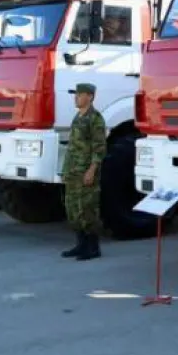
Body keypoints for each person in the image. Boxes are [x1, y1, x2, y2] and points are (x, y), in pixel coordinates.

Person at [60, 82, 107, 261]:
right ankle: (80, 244)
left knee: (87, 208)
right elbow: (72, 147)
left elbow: (99, 148)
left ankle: (93, 247)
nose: (76, 97)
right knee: (73, 208)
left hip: (86, 171)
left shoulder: (95, 119)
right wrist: (66, 170)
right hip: (73, 171)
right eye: (76, 94)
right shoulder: (78, 117)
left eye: (79, 95)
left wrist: (92, 170)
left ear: (90, 96)